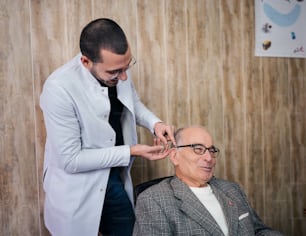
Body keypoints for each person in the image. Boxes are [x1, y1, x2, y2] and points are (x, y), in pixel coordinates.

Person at [40, 18, 175, 236]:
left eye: (127, 67)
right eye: (114, 72)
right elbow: (71, 160)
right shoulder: (58, 89)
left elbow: (132, 102)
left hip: (112, 178)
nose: (123, 77)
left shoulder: (116, 66)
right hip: (77, 188)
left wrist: (155, 123)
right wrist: (132, 151)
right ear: (86, 62)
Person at [133, 125, 284, 236]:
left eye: (211, 150)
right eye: (198, 149)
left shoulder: (231, 189)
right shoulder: (153, 200)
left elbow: (259, 231)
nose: (208, 157)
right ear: (174, 156)